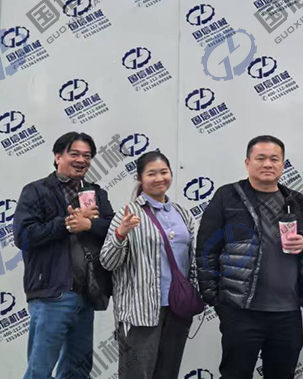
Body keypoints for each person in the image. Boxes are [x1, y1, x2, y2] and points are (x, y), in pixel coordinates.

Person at [195, 135, 303, 379]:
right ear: (247, 163)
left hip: (287, 312)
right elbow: (206, 248)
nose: (268, 164)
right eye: (261, 158)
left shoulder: (296, 202)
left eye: (274, 159)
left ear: (283, 165)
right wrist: (215, 298)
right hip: (241, 312)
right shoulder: (228, 197)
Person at [13, 132, 115, 379]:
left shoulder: (96, 194)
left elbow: (113, 229)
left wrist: (89, 224)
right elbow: (24, 236)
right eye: (75, 154)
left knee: (78, 370)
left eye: (87, 156)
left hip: (87, 294)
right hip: (53, 293)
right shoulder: (37, 191)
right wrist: (67, 224)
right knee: (40, 369)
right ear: (58, 157)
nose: (81, 160)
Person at [100, 151, 197, 379]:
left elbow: (193, 260)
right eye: (151, 174)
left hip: (178, 308)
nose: (159, 178)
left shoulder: (183, 214)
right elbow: (108, 261)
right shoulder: (128, 213)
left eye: (164, 172)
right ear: (140, 178)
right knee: (137, 374)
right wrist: (121, 234)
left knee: (168, 373)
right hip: (140, 312)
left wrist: (193, 293)